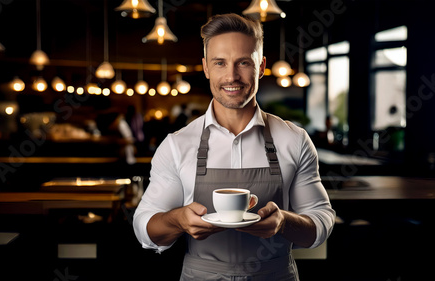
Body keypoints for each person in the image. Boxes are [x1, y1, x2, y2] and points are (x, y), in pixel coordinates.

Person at [133, 13, 335, 280]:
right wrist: (177, 220)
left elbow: (320, 221)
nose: (232, 76)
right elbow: (144, 228)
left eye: (243, 62)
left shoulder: (294, 139)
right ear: (206, 68)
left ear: (261, 66)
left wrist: (284, 222)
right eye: (220, 63)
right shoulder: (177, 144)